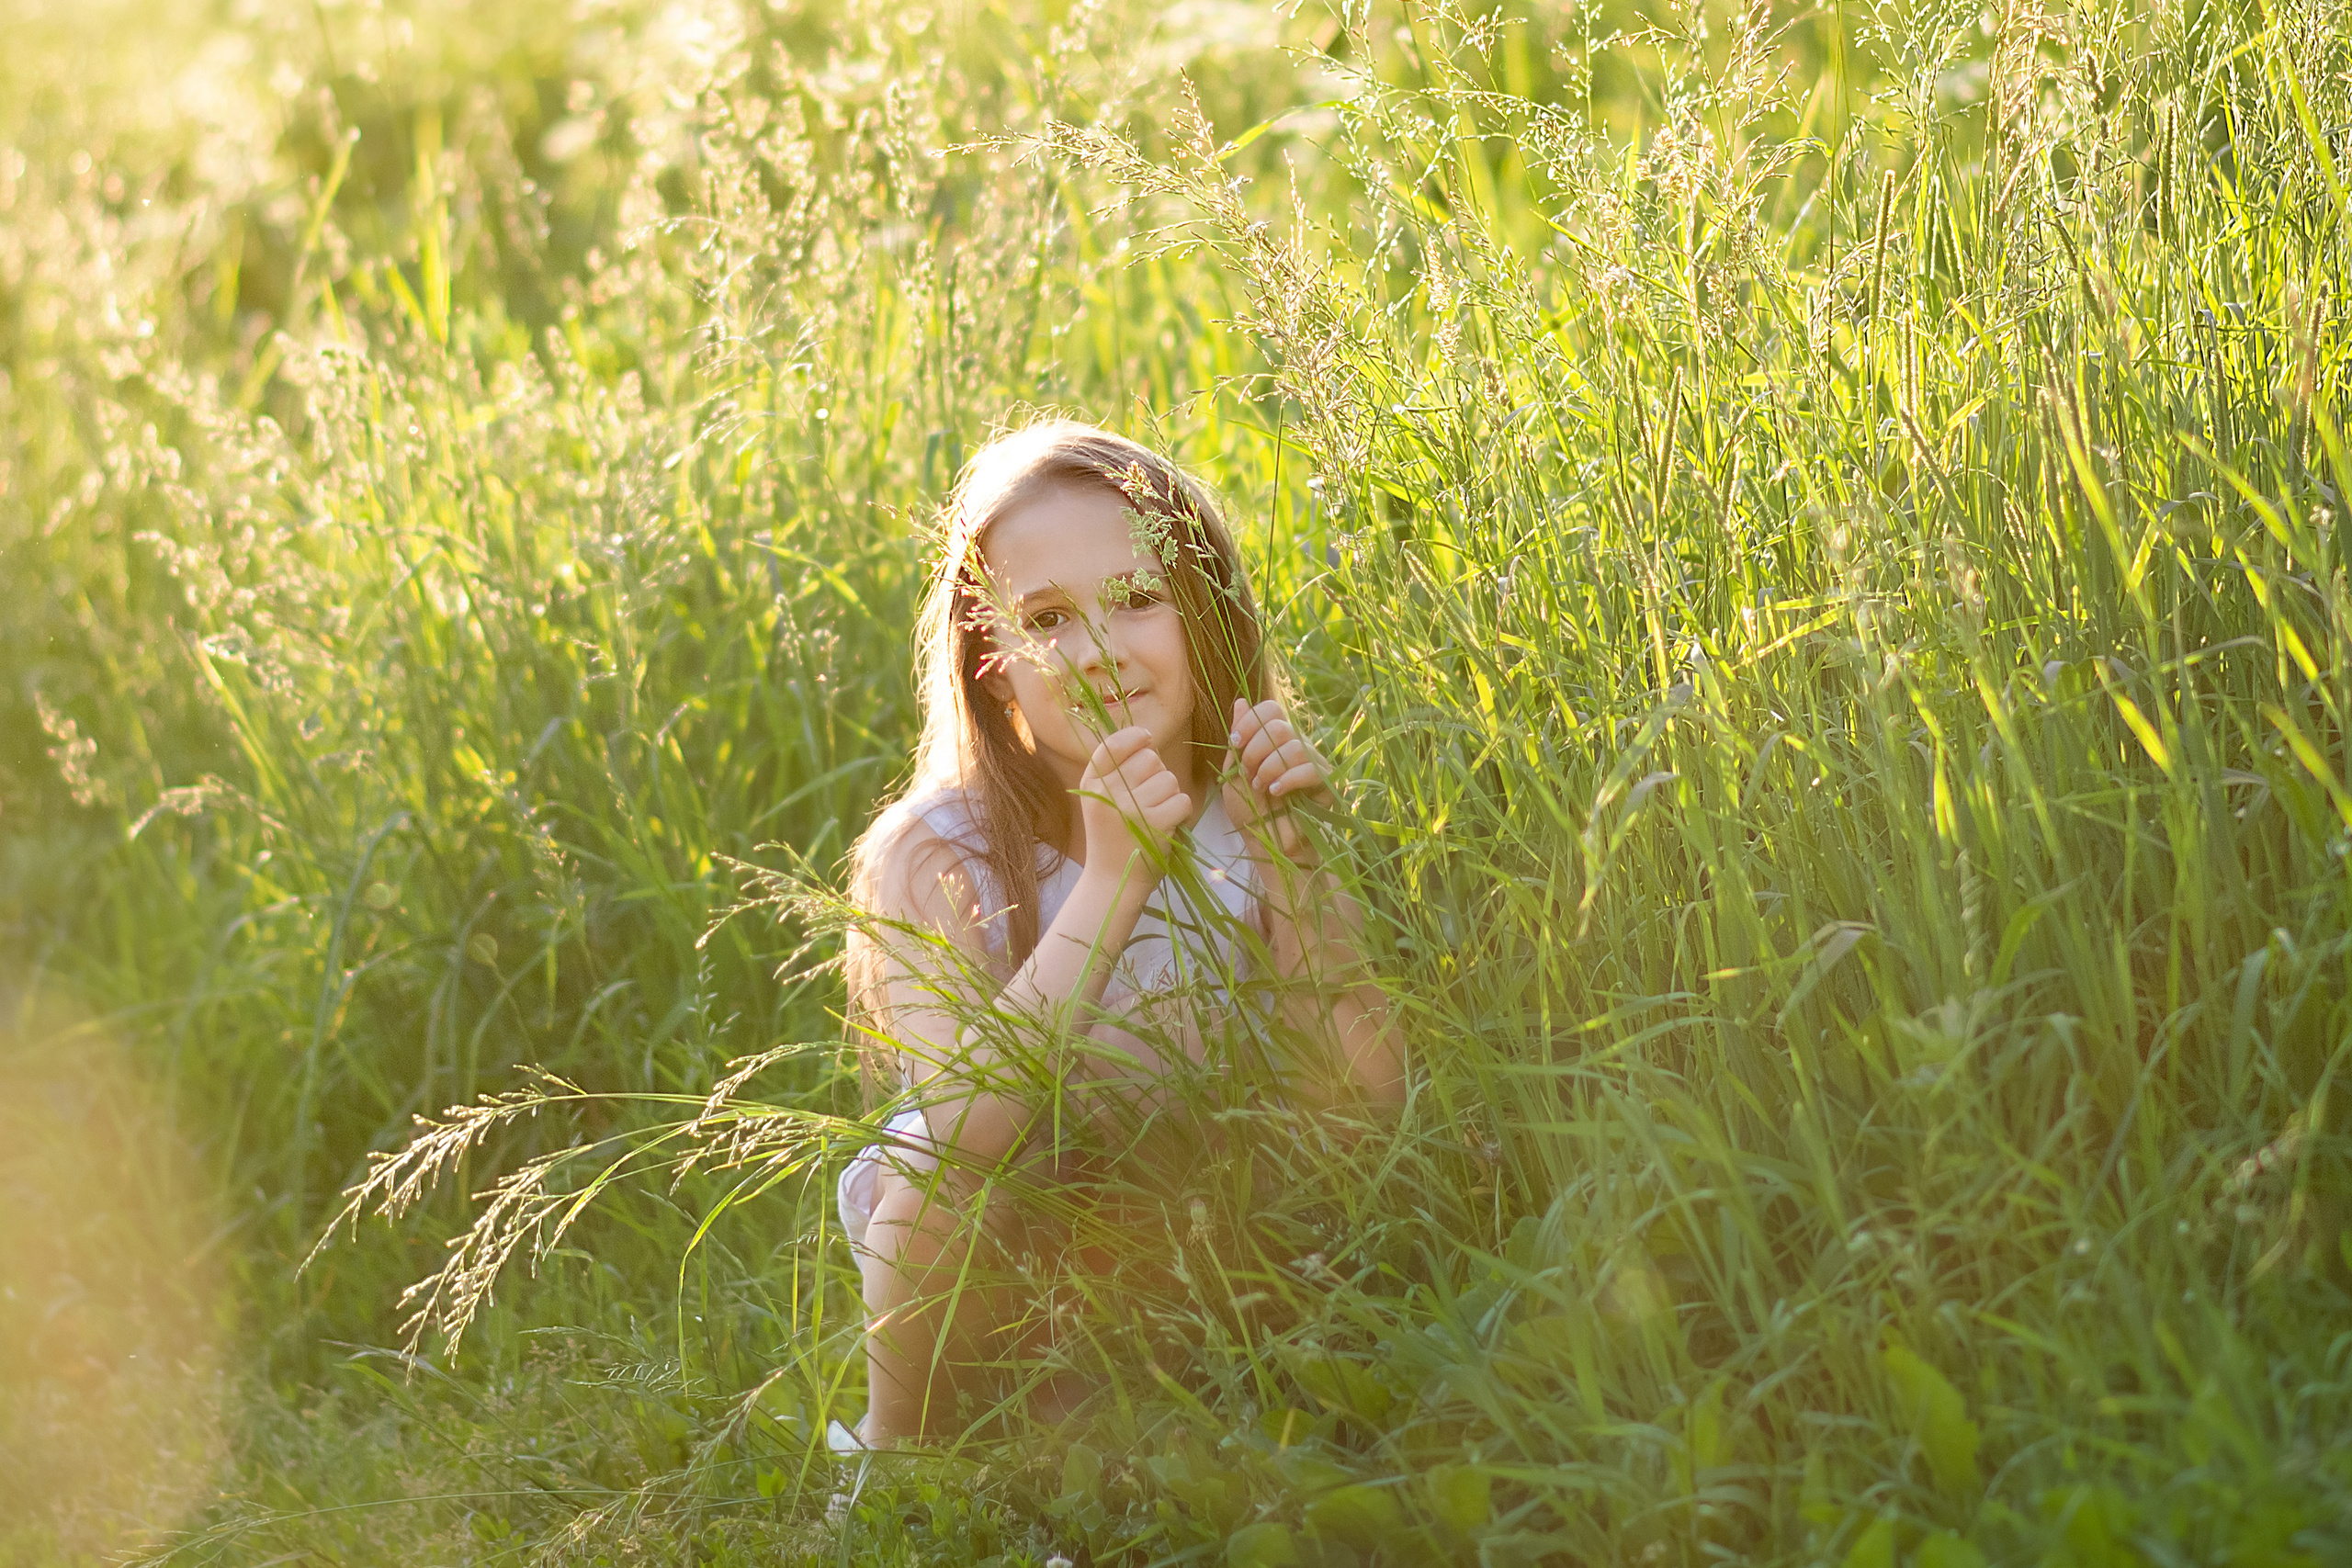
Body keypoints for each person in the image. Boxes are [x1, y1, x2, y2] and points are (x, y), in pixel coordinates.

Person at [833, 420, 1406, 1446]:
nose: (1097, 652)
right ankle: (901, 1458)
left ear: (1204, 619)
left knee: (1132, 1441)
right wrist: (1110, 880)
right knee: (925, 1186)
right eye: (1046, 618)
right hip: (1009, 1253)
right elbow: (964, 1142)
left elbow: (1363, 1108)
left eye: (1139, 600)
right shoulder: (936, 852)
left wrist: (1293, 865)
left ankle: (1180, 1418)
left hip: (1203, 1225)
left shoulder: (1251, 805)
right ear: (992, 661)